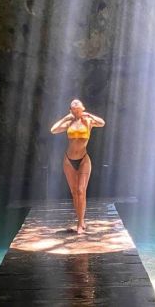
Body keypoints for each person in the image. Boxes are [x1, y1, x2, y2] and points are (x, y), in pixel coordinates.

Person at [50, 99, 105, 234]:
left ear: (82, 108)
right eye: (73, 106)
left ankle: (80, 223)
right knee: (75, 192)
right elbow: (53, 130)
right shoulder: (69, 122)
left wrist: (89, 115)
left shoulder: (88, 121)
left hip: (83, 159)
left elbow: (102, 123)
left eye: (77, 105)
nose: (75, 105)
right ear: (71, 110)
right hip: (68, 160)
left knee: (81, 191)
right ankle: (80, 219)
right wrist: (65, 117)